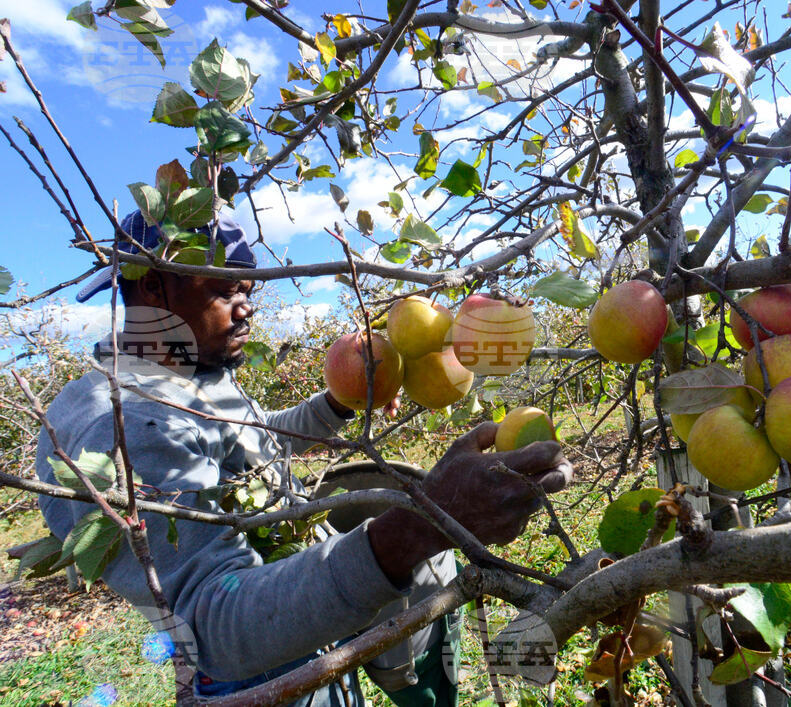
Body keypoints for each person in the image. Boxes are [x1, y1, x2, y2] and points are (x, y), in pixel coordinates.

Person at [35, 210, 573, 706]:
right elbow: (213, 624)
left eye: (250, 290)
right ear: (153, 282)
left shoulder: (182, 376)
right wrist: (414, 529)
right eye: (225, 291)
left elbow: (247, 444)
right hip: (262, 667)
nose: (246, 307)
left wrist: (336, 404)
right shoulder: (122, 425)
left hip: (298, 609)